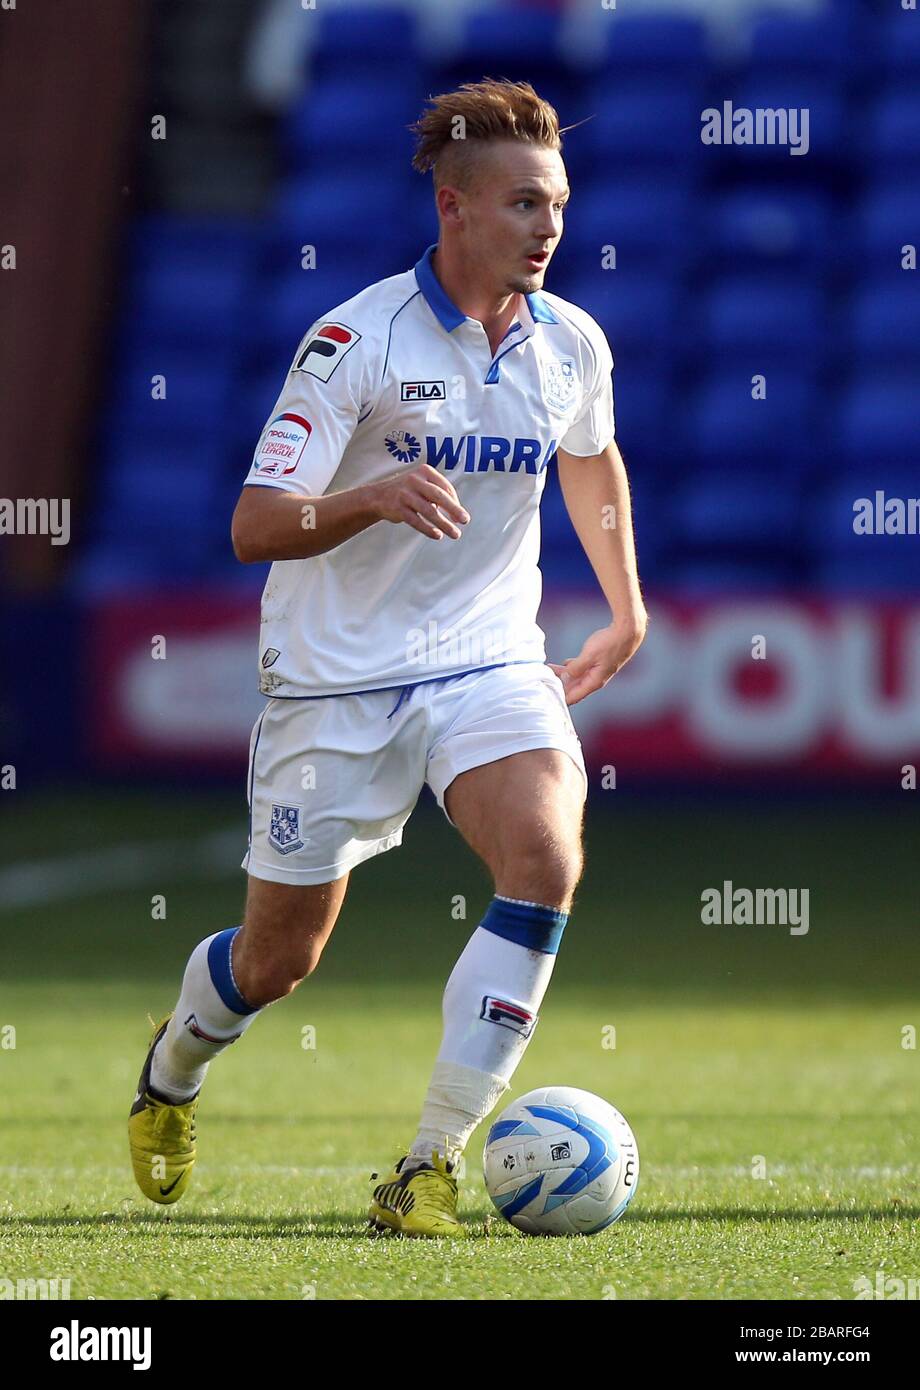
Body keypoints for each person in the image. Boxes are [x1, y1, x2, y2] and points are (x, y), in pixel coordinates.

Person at [129, 78, 647, 1238]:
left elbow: (590, 458)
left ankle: (428, 1164)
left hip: (485, 661)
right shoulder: (352, 341)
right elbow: (254, 525)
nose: (550, 226)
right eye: (523, 203)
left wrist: (623, 604)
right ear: (454, 206)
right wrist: (368, 496)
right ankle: (170, 1070)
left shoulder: (571, 341)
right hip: (332, 681)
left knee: (543, 854)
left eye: (557, 202)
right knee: (277, 960)